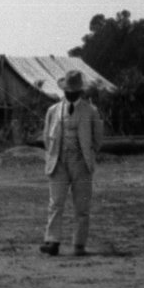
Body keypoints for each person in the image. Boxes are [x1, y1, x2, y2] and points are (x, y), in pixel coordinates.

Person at [40, 68, 103, 256]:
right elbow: (46, 136)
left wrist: (88, 156)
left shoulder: (91, 111)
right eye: (67, 89)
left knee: (82, 206)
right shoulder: (52, 111)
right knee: (55, 203)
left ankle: (79, 244)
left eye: (73, 90)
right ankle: (52, 241)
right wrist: (53, 155)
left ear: (80, 91)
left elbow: (98, 139)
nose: (70, 93)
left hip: (81, 162)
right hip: (58, 161)